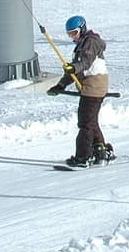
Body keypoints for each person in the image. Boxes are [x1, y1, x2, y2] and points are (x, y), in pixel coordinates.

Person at [46, 15, 113, 166]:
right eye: (69, 34)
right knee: (91, 121)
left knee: (85, 124)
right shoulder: (83, 43)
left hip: (94, 85)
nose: (72, 37)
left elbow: (85, 63)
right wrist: (60, 86)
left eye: (74, 33)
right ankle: (100, 151)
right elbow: (75, 71)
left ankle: (83, 157)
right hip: (90, 86)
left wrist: (74, 67)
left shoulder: (91, 42)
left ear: (82, 28)